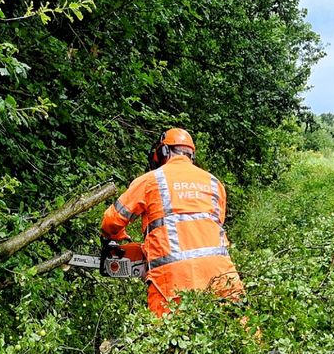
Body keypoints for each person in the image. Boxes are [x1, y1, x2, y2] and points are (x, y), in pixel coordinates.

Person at [101, 128, 243, 317]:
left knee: (167, 339)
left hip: (174, 278)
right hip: (222, 274)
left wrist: (114, 237)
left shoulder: (151, 180)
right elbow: (205, 230)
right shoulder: (213, 183)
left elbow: (112, 219)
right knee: (241, 332)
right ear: (191, 155)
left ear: (163, 152)